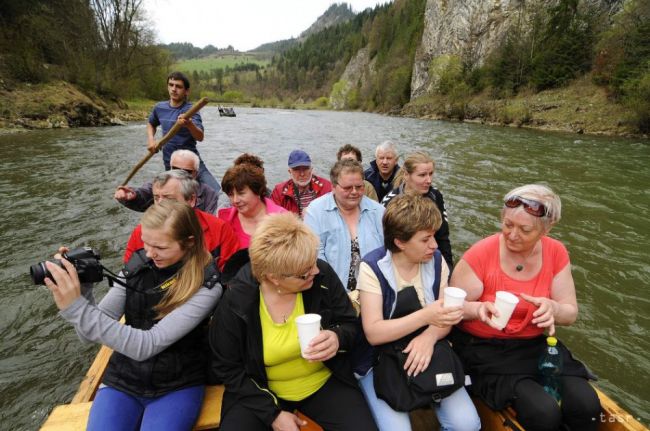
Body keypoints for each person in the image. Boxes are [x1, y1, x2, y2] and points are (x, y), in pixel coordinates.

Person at [43, 200, 223, 430]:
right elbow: (87, 335)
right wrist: (83, 292)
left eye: (160, 247)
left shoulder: (207, 286)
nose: (149, 253)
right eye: (146, 243)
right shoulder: (138, 265)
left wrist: (75, 307)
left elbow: (147, 345)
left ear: (189, 242)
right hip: (123, 380)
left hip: (177, 385)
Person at [450, 184, 601, 431]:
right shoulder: (481, 254)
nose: (512, 234)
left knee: (587, 405)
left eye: (524, 229)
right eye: (508, 224)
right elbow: (451, 308)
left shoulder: (556, 253)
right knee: (544, 413)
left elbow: (569, 313)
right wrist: (478, 309)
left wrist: (553, 308)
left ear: (547, 228)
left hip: (533, 347)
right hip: (486, 351)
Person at [209, 213, 378, 431]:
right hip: (259, 390)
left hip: (324, 381)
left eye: (313, 263)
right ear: (273, 277)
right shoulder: (238, 301)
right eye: (304, 273)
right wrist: (273, 414)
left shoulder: (321, 276)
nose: (315, 272)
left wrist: (337, 338)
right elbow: (227, 367)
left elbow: (349, 324)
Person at [355, 193, 480, 431]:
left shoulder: (435, 260)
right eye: (425, 239)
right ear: (400, 242)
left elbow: (447, 316)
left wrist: (429, 336)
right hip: (382, 356)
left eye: (434, 236)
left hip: (429, 346)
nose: (434, 245)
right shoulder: (372, 267)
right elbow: (373, 332)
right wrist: (425, 316)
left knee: (467, 425)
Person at [123, 170, 239, 272]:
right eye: (156, 197)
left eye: (169, 198)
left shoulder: (219, 229)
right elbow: (130, 272)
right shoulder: (141, 233)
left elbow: (230, 276)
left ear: (191, 200)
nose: (160, 204)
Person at [304, 159, 384, 292]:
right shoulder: (316, 211)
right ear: (333, 187)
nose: (354, 192)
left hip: (374, 290)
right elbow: (315, 256)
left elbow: (387, 252)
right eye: (347, 188)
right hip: (332, 292)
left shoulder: (378, 211)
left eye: (359, 187)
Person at [147, 71, 220, 193]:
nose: (174, 89)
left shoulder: (191, 110)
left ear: (186, 91)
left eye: (178, 86)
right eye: (171, 85)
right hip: (171, 165)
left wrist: (189, 124)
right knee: (177, 199)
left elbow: (200, 137)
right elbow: (151, 124)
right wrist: (151, 140)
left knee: (217, 193)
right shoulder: (159, 107)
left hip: (192, 164)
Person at [381, 152, 454, 272]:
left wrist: (449, 269)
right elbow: (385, 242)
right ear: (406, 175)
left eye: (431, 174)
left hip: (430, 257)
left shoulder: (435, 195)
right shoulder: (390, 201)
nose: (429, 180)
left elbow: (443, 237)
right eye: (422, 175)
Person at [115, 149, 220, 214]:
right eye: (176, 169)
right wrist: (132, 196)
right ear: (170, 168)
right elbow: (144, 194)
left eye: (187, 171)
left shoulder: (209, 194)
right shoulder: (159, 185)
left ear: (196, 173)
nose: (181, 174)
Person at [218, 162, 286, 250]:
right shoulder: (223, 219)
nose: (235, 200)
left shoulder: (283, 220)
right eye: (231, 195)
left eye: (241, 193)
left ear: (257, 191)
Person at [271, 149, 332, 217]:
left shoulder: (327, 188)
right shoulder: (279, 192)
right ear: (290, 171)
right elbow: (273, 221)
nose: (302, 174)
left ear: (311, 170)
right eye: (296, 169)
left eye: (305, 168)